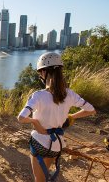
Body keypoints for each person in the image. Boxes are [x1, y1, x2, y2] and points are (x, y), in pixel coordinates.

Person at [17, 52, 96, 182]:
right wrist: (72, 116)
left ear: (44, 72)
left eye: (40, 73)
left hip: (40, 143)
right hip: (56, 145)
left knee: (39, 179)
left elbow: (21, 118)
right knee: (44, 172)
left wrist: (35, 122)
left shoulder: (38, 95)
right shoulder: (70, 94)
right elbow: (91, 110)